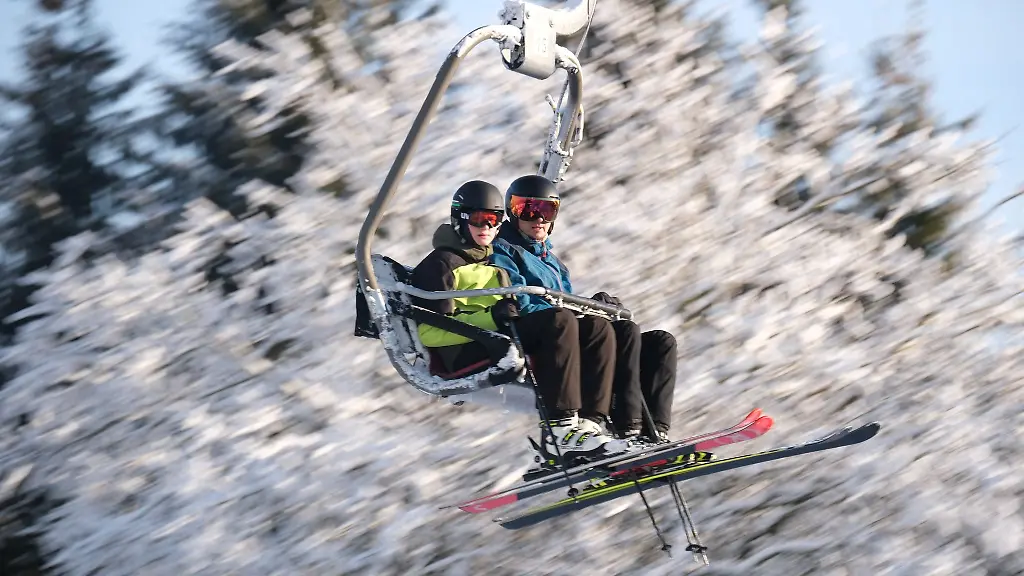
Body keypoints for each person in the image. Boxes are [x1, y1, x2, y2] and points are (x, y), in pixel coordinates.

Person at [409, 180, 628, 461]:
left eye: (493, 220)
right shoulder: (441, 264)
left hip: (497, 341)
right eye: (479, 219)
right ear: (460, 219)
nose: (487, 227)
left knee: (595, 327)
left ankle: (591, 426)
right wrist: (491, 318)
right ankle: (559, 429)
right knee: (558, 321)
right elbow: (430, 332)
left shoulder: (489, 265)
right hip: (465, 353)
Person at [490, 174, 678, 444]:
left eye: (547, 210)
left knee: (653, 339)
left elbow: (565, 302)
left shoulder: (553, 262)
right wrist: (580, 313)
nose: (539, 219)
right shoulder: (503, 251)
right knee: (595, 326)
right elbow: (519, 299)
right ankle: (594, 421)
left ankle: (644, 429)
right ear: (513, 212)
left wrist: (595, 305)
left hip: (562, 325)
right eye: (528, 210)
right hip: (537, 331)